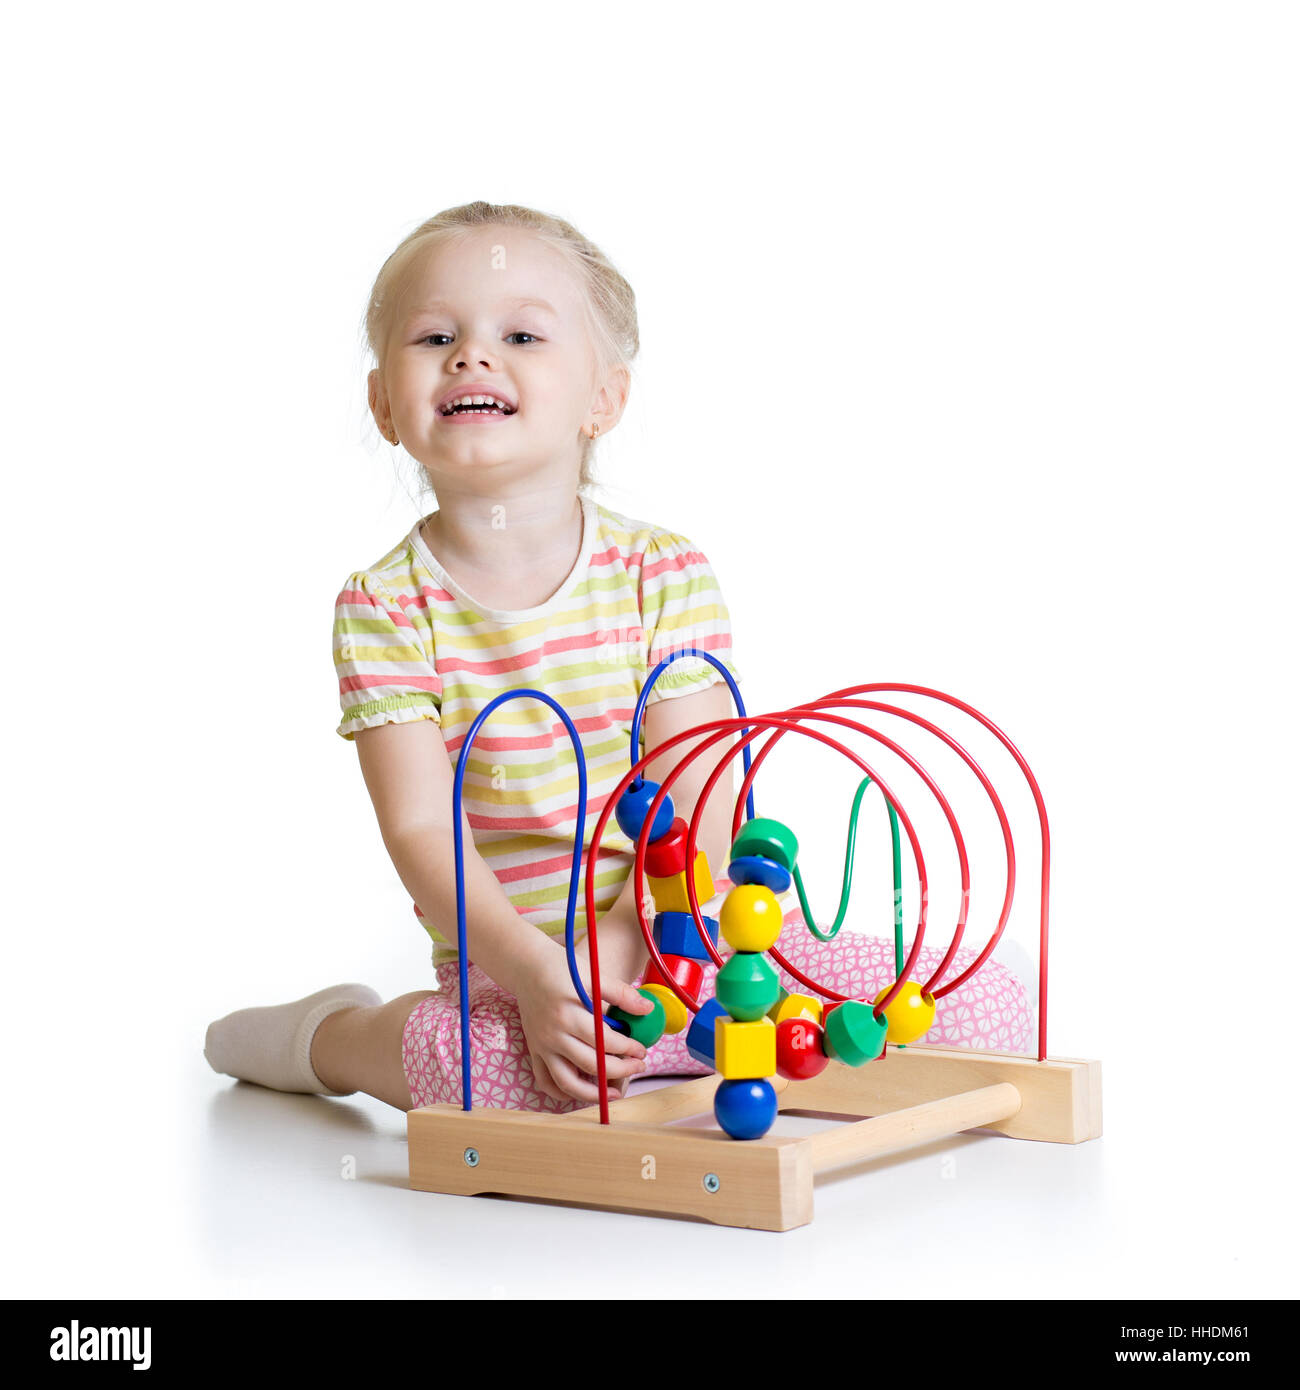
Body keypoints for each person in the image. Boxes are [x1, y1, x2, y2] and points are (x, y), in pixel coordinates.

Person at [204, 201, 1033, 1115]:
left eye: (522, 333)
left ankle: (700, 1053)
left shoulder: (661, 574)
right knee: (476, 1075)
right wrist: (534, 974)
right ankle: (329, 1036)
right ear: (383, 406)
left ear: (603, 399)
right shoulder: (385, 607)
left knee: (995, 1000)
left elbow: (702, 794)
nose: (473, 355)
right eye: (435, 335)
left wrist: (636, 939)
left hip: (701, 944)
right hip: (526, 984)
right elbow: (418, 829)